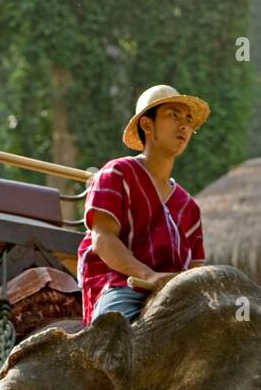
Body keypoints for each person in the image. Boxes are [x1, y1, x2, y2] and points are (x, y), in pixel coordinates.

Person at [78, 84, 210, 326]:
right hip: (123, 286)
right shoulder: (116, 173)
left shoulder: (189, 206)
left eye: (189, 119)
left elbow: (196, 267)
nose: (184, 125)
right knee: (113, 332)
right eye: (174, 115)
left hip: (179, 297)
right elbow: (102, 239)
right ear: (147, 125)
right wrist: (149, 276)